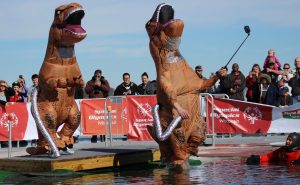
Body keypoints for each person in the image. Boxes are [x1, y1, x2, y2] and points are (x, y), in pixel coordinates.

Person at [85, 69, 110, 143]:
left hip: (102, 104)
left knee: (102, 120)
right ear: (94, 75)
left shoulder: (104, 81)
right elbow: (87, 90)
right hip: (92, 104)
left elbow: (107, 89)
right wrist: (94, 85)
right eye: (96, 75)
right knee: (94, 120)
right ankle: (94, 135)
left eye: (99, 75)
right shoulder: (90, 82)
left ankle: (103, 135)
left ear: (101, 75)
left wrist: (100, 85)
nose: (97, 76)